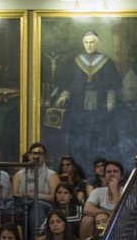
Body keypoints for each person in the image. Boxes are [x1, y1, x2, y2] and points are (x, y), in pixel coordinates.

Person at [52, 29, 122, 169]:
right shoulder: (76, 61)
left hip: (100, 105)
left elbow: (111, 85)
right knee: (78, 136)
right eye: (86, 42)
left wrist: (110, 100)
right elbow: (70, 83)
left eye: (92, 42)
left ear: (97, 43)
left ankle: (98, 166)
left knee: (98, 136)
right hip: (79, 104)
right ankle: (79, 165)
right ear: (83, 43)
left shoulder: (106, 62)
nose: (89, 45)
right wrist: (64, 95)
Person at [81, 159, 125, 240]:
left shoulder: (127, 191)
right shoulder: (98, 191)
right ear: (105, 176)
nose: (111, 174)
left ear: (121, 176)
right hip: (102, 224)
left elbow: (122, 214)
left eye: (115, 171)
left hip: (121, 225)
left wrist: (115, 190)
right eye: (108, 172)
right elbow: (86, 209)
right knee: (87, 219)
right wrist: (106, 215)